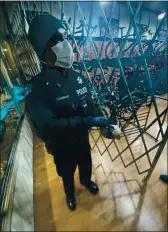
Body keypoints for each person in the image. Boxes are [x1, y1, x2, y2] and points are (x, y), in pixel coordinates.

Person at [26, 15, 121, 211]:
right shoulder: (37, 89)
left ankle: (86, 181)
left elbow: (89, 102)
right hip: (62, 147)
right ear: (43, 51)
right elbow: (48, 128)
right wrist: (89, 120)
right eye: (57, 40)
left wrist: (101, 121)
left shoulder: (76, 77)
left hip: (81, 141)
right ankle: (70, 193)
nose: (66, 44)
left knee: (86, 164)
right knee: (67, 173)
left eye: (65, 38)